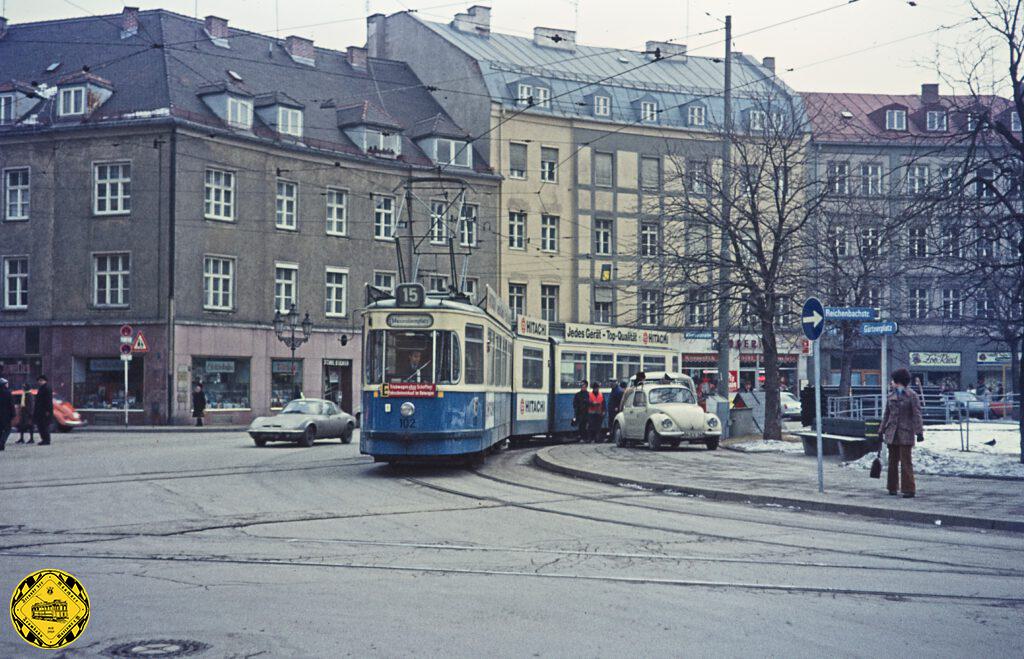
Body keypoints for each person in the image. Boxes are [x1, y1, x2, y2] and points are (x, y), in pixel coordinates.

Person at [878, 368, 924, 498]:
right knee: (892, 462)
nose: (891, 383)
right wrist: (881, 430)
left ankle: (909, 489)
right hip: (892, 433)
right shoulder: (891, 396)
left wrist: (919, 432)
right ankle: (892, 487)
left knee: (905, 461)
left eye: (893, 380)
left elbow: (917, 415)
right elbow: (886, 415)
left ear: (899, 381)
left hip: (906, 432)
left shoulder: (912, 396)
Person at [33, 374, 53, 446]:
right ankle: (44, 439)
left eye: (40, 381)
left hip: (44, 411)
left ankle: (46, 440)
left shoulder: (46, 388)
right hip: (40, 411)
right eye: (39, 381)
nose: (39, 382)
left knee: (44, 426)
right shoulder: (42, 388)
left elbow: (48, 401)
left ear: (44, 380)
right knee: (41, 426)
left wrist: (48, 411)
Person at [0, 378, 14, 451]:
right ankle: (1, 443)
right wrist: (13, 414)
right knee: (7, 430)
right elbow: (11, 404)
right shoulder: (8, 393)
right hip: (6, 415)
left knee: (0, 430)